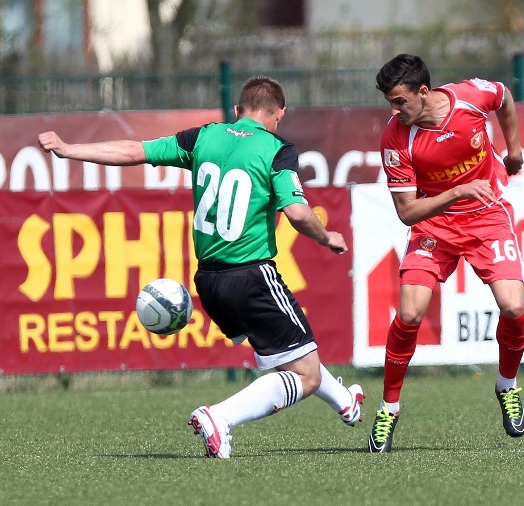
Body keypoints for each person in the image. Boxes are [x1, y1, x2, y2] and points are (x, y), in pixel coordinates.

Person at [38, 75, 365, 459]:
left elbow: (132, 151)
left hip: (209, 281)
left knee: (295, 353)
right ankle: (219, 418)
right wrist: (327, 237)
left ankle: (346, 402)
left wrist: (67, 148)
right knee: (303, 373)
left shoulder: (204, 137)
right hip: (252, 275)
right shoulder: (277, 149)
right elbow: (296, 212)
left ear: (236, 111)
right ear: (280, 114)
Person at [368, 54, 524, 453]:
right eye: (390, 102)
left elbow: (504, 97)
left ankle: (506, 384)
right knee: (409, 313)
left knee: (512, 306)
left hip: (487, 216)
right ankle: (389, 408)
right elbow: (407, 211)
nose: (394, 110)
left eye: (400, 101)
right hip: (433, 226)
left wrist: (515, 150)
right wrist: (456, 192)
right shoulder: (395, 137)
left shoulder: (471, 97)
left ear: (424, 92)